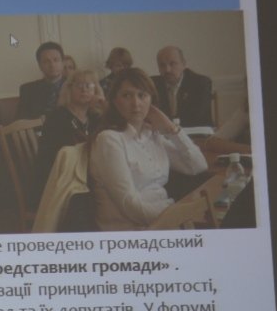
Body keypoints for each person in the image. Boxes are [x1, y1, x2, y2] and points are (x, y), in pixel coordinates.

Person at [89, 67, 208, 231]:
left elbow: (198, 166)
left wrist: (172, 129)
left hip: (163, 221)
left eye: (142, 95)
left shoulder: (152, 135)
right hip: (131, 231)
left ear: (151, 101)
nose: (136, 103)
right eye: (127, 95)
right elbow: (130, 206)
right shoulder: (109, 140)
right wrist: (176, 216)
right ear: (115, 102)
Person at [35, 69, 104, 197]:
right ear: (69, 89)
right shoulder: (57, 117)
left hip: (87, 175)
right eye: (79, 85)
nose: (84, 90)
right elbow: (60, 157)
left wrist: (103, 105)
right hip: (61, 180)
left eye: (89, 85)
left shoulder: (95, 117)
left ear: (96, 90)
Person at [152, 45, 214, 127]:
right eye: (162, 65)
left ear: (184, 64)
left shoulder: (200, 83)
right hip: (164, 132)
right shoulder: (152, 84)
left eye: (172, 64)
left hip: (196, 132)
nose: (167, 70)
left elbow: (198, 116)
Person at [17, 41, 66, 119]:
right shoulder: (28, 90)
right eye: (46, 61)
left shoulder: (74, 86)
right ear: (40, 65)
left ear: (63, 63)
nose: (52, 65)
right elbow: (21, 120)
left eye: (56, 60)